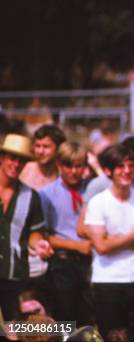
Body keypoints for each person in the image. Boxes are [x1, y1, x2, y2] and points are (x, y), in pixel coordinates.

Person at [84, 144, 134, 340]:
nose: (126, 171)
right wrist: (132, 236)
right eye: (120, 166)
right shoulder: (98, 202)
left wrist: (112, 241)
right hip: (106, 282)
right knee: (112, 336)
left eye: (130, 165)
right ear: (108, 171)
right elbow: (100, 247)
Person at [39, 142, 93, 326]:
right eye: (68, 166)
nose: (74, 171)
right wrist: (77, 246)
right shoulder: (47, 194)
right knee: (65, 319)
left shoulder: (92, 190)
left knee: (89, 319)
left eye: (79, 166)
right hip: (62, 263)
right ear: (59, 166)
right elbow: (44, 236)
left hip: (91, 263)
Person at [0, 134, 52, 320]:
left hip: (15, 275)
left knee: (15, 330)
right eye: (12, 158)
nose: (16, 164)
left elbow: (34, 234)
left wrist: (39, 245)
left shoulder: (31, 196)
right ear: (2, 158)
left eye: (21, 161)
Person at [19, 125, 67, 191]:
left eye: (46, 146)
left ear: (58, 148)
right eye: (37, 146)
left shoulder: (63, 176)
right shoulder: (23, 169)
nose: (41, 151)